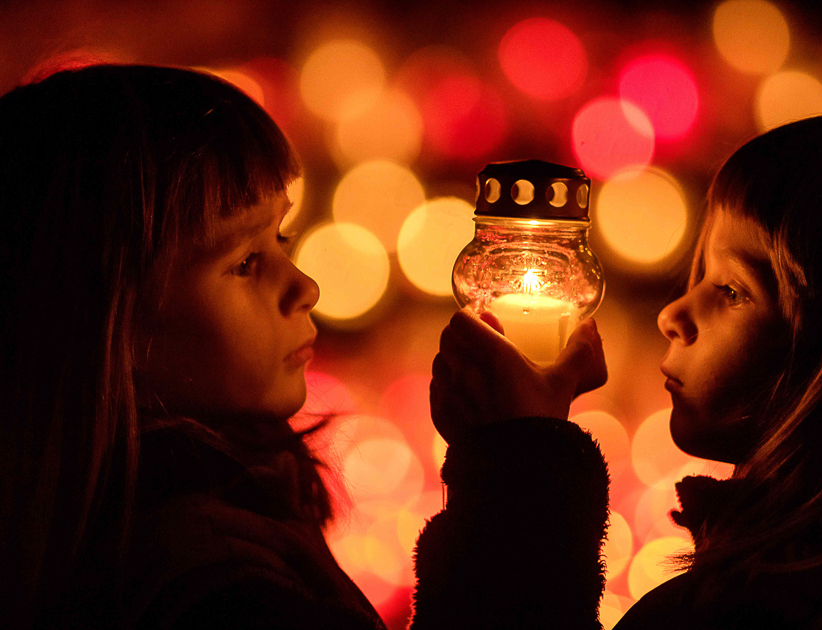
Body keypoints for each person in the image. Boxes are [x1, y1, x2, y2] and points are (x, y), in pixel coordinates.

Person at [0, 62, 611, 630]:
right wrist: (519, 471)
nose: (306, 287)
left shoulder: (229, 519)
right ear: (108, 317)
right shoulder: (211, 592)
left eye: (283, 238)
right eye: (244, 262)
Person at [425, 114, 822, 629]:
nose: (670, 316)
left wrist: (514, 472)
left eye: (732, 291)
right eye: (701, 275)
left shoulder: (749, 615)